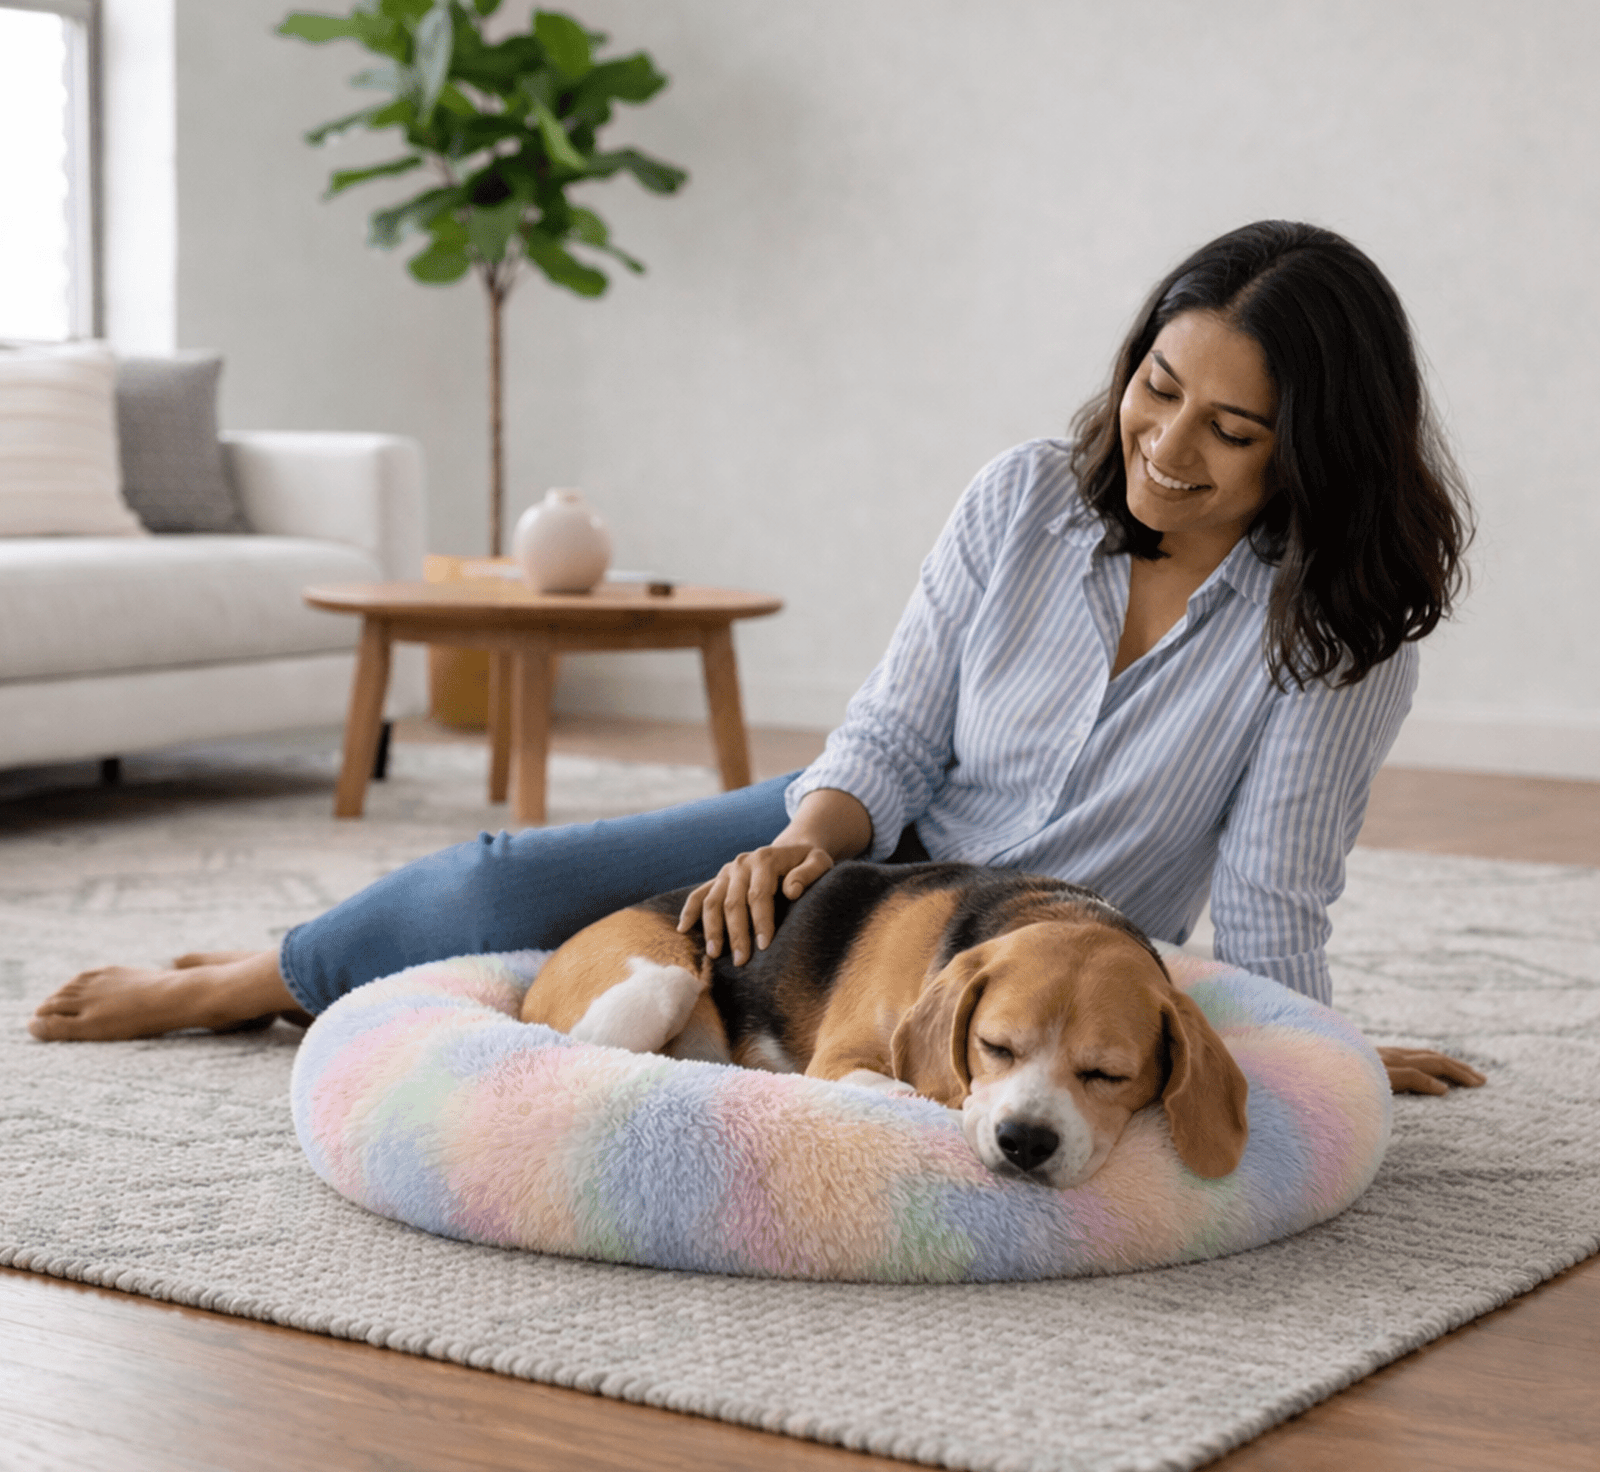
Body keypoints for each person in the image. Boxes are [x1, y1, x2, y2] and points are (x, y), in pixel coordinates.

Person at [30, 220, 1482, 1095]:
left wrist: (1311, 1061)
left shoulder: (1336, 631)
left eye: (1231, 433)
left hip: (1025, 936)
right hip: (871, 840)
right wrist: (806, 839)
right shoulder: (1027, 497)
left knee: (603, 977)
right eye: (1157, 389)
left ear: (1317, 453)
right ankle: (244, 979)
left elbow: (1277, 895)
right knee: (499, 887)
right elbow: (899, 731)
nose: (1167, 449)